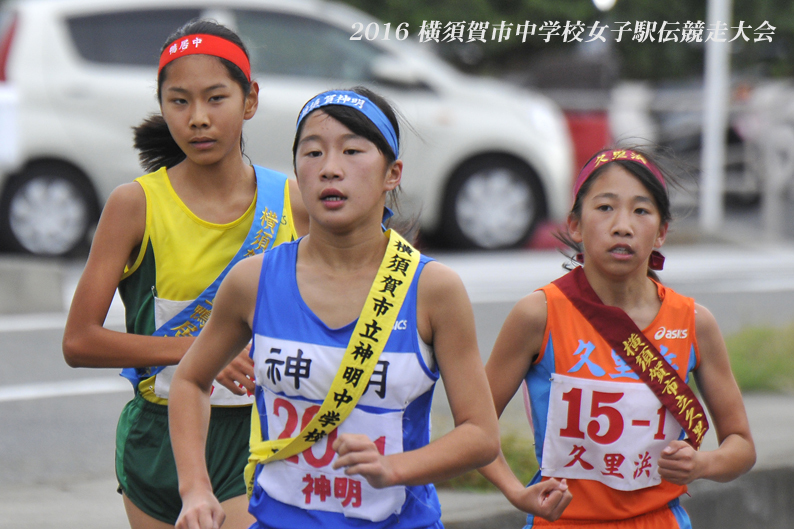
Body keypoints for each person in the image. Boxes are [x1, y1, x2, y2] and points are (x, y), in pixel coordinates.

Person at [167, 86, 500, 529]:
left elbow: (480, 435)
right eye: (312, 153)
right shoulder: (254, 280)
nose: (330, 169)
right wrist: (195, 489)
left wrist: (394, 469)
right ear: (296, 171)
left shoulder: (433, 289)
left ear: (392, 173)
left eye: (353, 151)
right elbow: (189, 380)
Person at [62, 19, 308, 529]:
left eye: (216, 98)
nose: (198, 118)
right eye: (179, 101)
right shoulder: (135, 205)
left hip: (261, 434)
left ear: (250, 100)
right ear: (162, 105)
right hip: (156, 444)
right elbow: (79, 342)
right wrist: (199, 351)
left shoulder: (292, 203)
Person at [479, 148, 756, 527]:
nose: (622, 225)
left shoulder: (693, 322)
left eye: (641, 211)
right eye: (605, 208)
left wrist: (702, 463)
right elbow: (473, 428)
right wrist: (515, 491)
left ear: (661, 232)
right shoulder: (538, 314)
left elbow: (741, 445)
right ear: (575, 225)